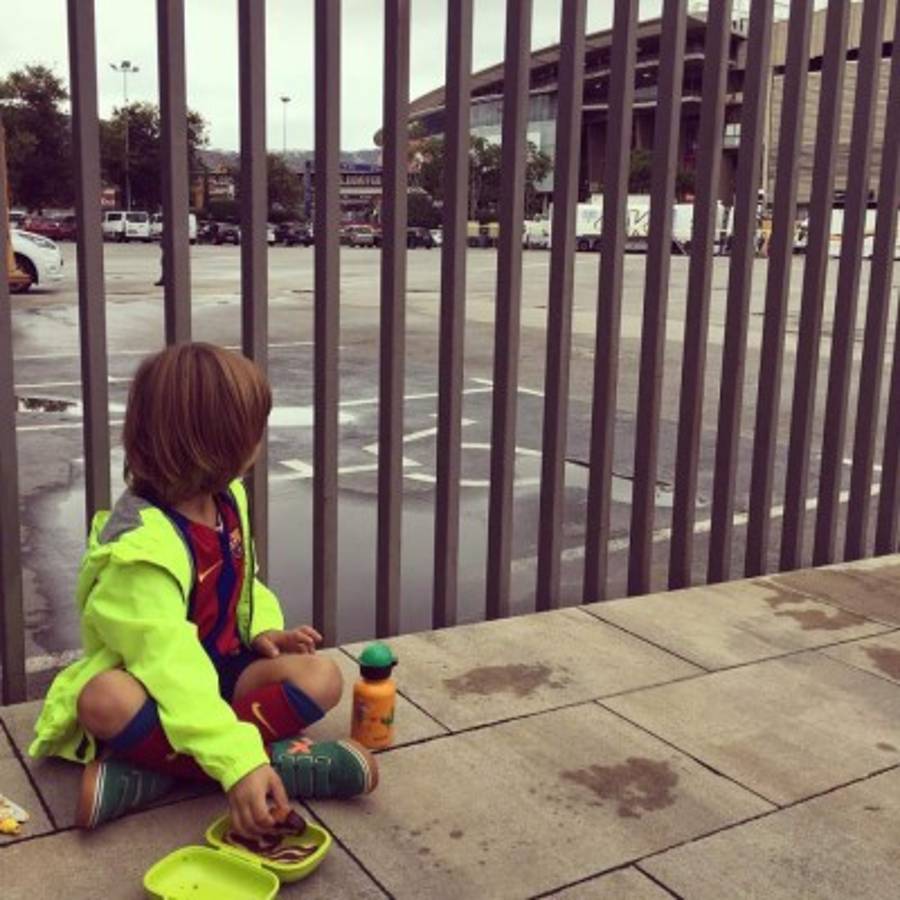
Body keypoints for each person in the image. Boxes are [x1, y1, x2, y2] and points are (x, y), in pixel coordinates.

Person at [29, 343, 377, 835]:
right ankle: (271, 767)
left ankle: (155, 774)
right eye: (253, 433)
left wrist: (264, 630)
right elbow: (170, 665)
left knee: (323, 677)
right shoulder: (139, 552)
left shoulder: (226, 499)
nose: (259, 444)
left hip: (224, 665)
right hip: (154, 686)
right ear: (215, 446)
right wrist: (238, 762)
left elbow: (243, 579)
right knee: (101, 699)